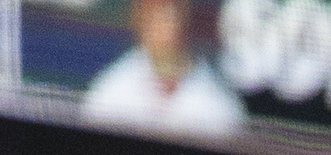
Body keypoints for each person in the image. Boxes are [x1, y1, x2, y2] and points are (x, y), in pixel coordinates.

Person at [80, 0, 245, 138]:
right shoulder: (109, 93)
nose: (169, 31)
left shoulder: (218, 106)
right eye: (157, 19)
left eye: (175, 18)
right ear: (141, 23)